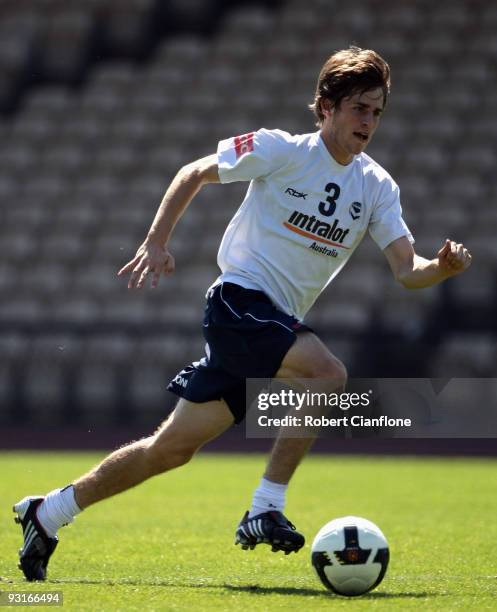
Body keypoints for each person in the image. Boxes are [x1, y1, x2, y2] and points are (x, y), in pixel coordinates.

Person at [14, 46, 472, 581]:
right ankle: (264, 507)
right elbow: (194, 173)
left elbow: (405, 269)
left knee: (167, 452)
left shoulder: (376, 186)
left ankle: (47, 513)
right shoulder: (281, 149)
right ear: (325, 106)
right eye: (358, 109)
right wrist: (156, 242)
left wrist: (440, 267)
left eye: (376, 112)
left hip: (272, 326)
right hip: (239, 303)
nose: (368, 122)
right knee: (328, 375)